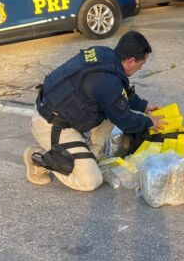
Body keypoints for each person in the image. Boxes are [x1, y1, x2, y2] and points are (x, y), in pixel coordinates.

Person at [22, 31, 166, 191]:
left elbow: (119, 93)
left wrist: (143, 106)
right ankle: (38, 158)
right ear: (131, 60)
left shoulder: (105, 55)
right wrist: (149, 122)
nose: (141, 67)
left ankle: (92, 155)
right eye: (142, 63)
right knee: (91, 181)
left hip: (60, 110)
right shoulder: (106, 81)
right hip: (51, 124)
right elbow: (125, 119)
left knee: (113, 109)